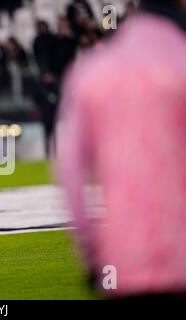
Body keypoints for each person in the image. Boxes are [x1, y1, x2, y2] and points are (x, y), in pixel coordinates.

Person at [57, 0, 186, 299]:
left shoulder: (91, 69)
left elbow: (71, 173)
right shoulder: (179, 61)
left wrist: (93, 254)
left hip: (124, 261)